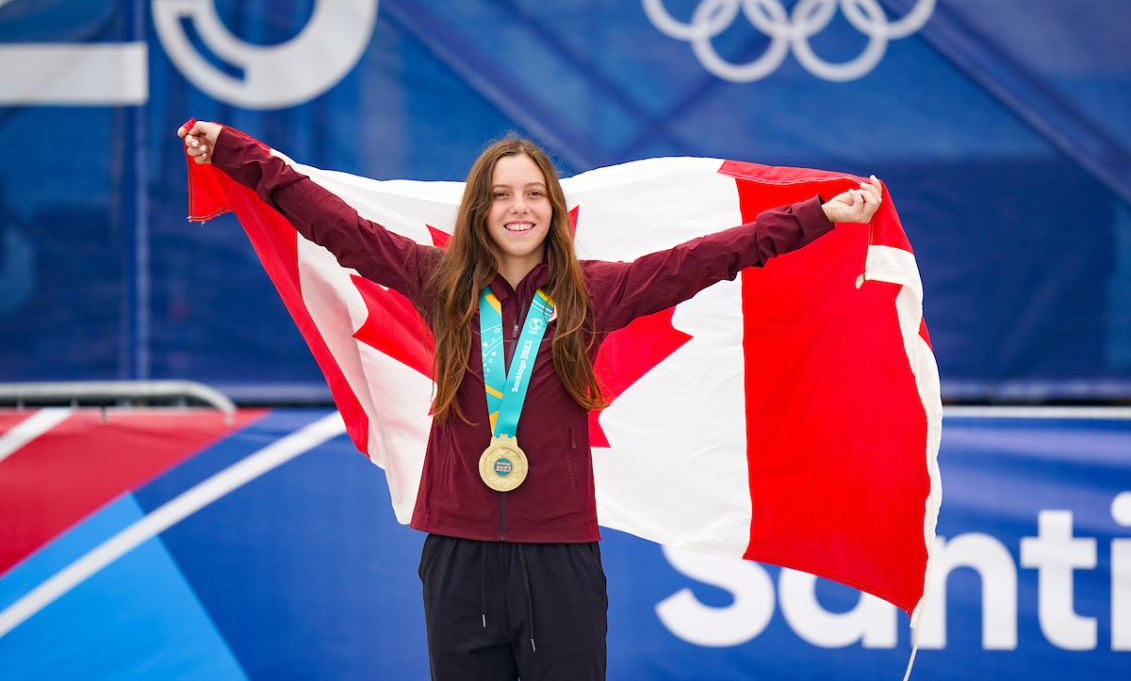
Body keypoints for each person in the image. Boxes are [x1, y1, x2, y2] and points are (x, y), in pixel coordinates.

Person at [178, 121, 881, 681]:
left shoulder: (592, 291)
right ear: (479, 209)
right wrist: (237, 154)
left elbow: (711, 255)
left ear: (554, 208)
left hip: (559, 557)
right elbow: (330, 221)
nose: (518, 207)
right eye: (501, 193)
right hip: (458, 551)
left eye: (534, 193)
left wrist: (819, 214)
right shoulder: (439, 281)